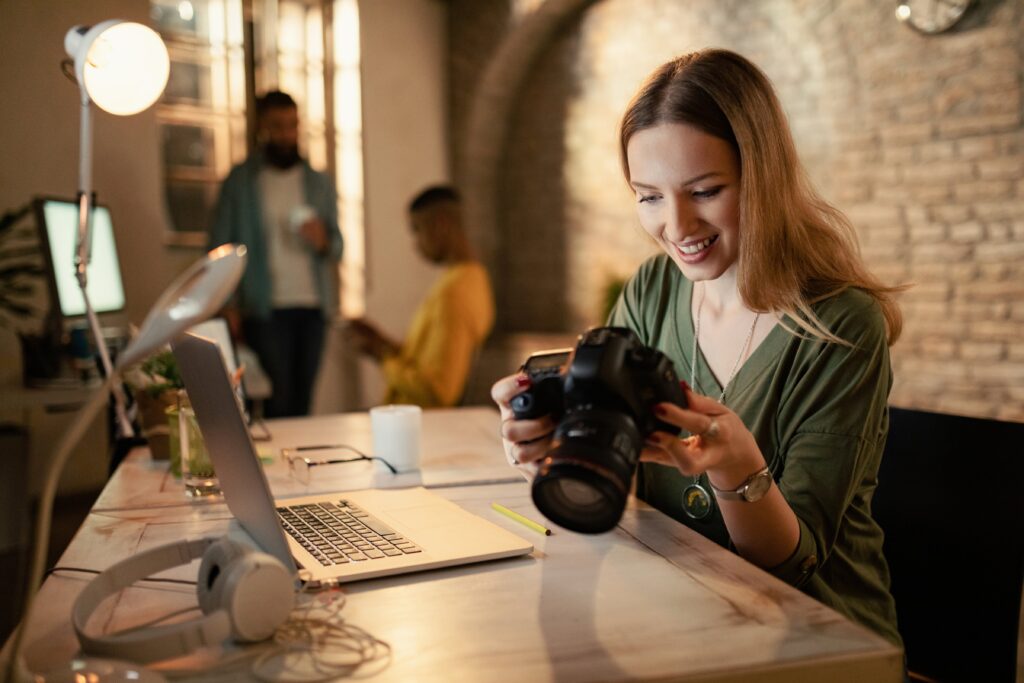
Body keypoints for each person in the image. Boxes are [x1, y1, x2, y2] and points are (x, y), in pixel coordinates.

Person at [491, 49, 905, 647]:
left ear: (763, 176)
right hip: (680, 613)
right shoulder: (652, 289)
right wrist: (558, 447)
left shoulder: (841, 326)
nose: (677, 227)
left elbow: (795, 564)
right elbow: (620, 473)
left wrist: (736, 465)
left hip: (818, 640)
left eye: (705, 190)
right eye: (649, 196)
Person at [209, 90, 342, 418]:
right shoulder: (240, 183)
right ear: (262, 129)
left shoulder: (317, 182)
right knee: (277, 400)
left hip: (313, 307)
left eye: (292, 126)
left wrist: (322, 240)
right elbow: (218, 248)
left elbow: (337, 246)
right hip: (264, 308)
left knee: (303, 401)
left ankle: (302, 466)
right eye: (278, 126)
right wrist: (228, 305)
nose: (287, 134)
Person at [348, 185, 494, 408]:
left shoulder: (455, 293)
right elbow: (426, 361)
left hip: (424, 425)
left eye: (416, 229)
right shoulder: (467, 279)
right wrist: (383, 343)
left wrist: (383, 358)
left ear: (441, 224)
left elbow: (438, 392)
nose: (415, 244)